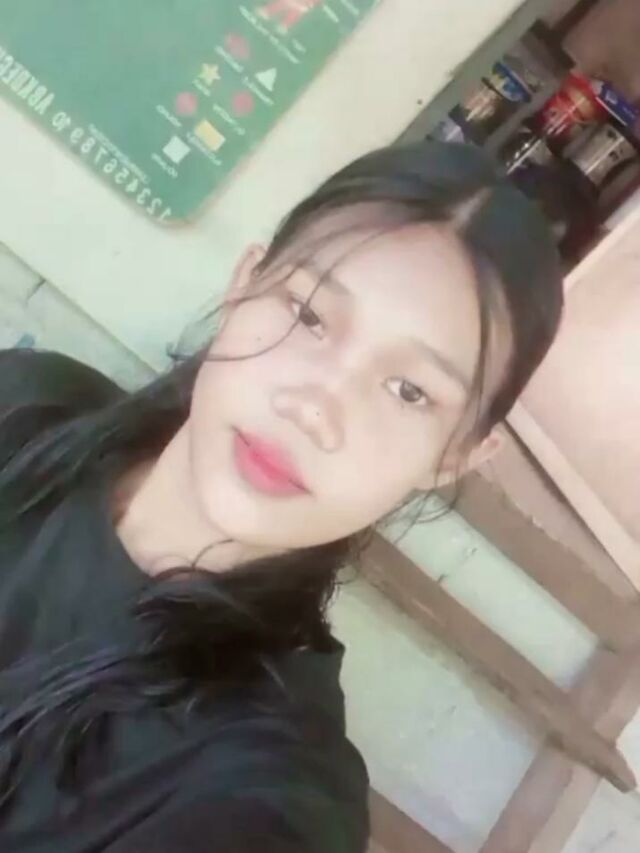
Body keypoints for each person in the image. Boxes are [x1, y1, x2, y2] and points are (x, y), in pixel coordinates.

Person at [0, 141, 563, 852]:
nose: (315, 407)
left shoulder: (270, 792)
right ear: (245, 282)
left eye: (408, 390)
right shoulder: (22, 401)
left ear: (455, 456)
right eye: (309, 315)